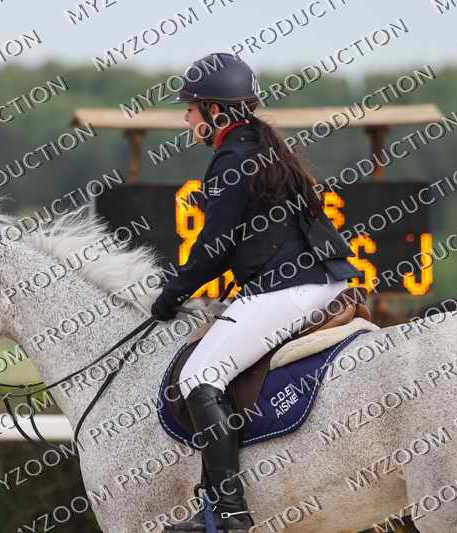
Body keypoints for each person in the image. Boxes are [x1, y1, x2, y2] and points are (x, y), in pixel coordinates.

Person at [150, 52, 365, 531]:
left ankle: (229, 513)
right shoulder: (266, 149)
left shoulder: (232, 158)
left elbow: (214, 249)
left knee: (199, 376)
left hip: (289, 288)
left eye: (190, 109)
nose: (186, 119)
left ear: (215, 112)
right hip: (324, 281)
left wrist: (169, 296)